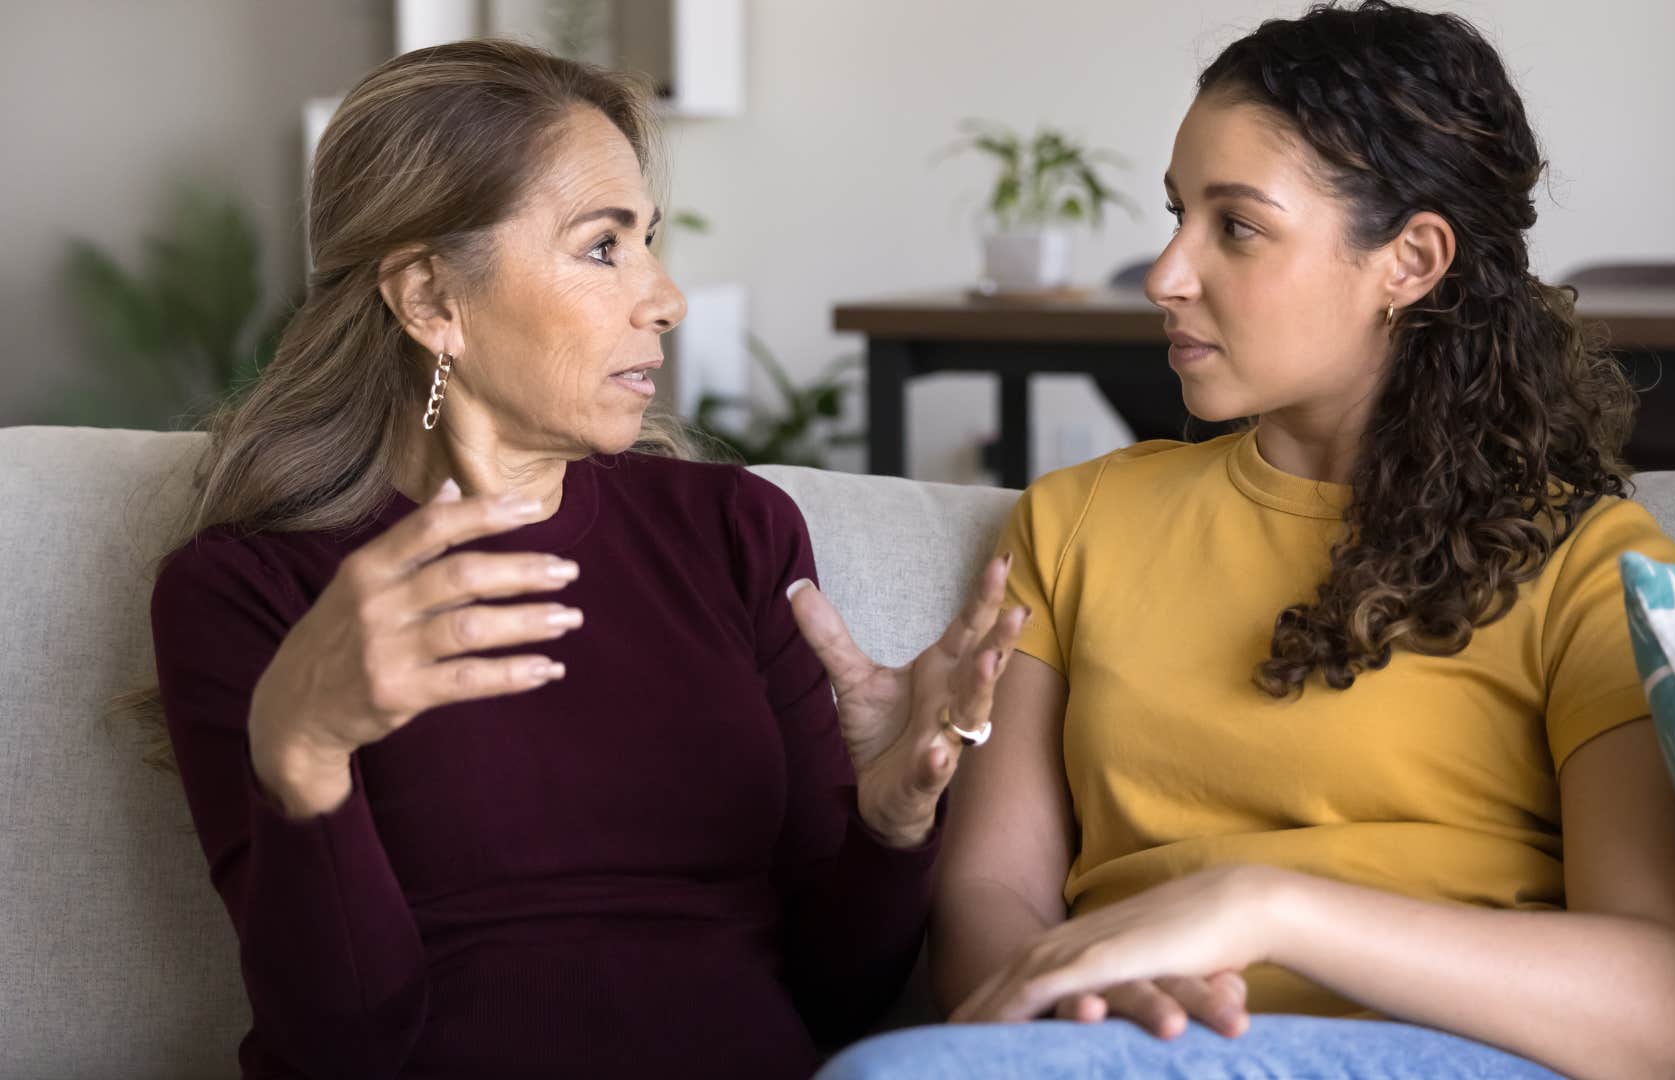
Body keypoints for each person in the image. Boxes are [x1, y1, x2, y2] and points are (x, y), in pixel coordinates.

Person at [822, 3, 1675, 1077]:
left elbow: (1671, 1018)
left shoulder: (1590, 567)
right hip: (1121, 1049)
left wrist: (1266, 909)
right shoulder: (1077, 523)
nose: (1167, 273)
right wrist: (1080, 991)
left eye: (1237, 227)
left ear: (1411, 259)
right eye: (1175, 216)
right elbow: (994, 898)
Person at [136, 39, 1023, 1079]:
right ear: (431, 300)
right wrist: (306, 760)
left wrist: (890, 824)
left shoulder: (734, 531)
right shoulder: (249, 592)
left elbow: (833, 996)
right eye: (603, 248)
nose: (666, 299)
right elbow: (341, 1045)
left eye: (648, 241)